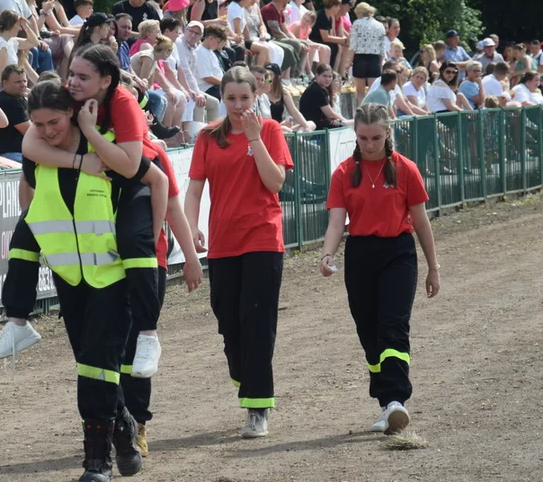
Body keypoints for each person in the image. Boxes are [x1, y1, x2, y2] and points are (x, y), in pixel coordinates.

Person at [0, 79, 168, 482]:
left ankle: (97, 459)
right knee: (94, 366)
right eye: (38, 124)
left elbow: (155, 181)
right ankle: (123, 427)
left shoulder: (109, 149)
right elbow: (35, 204)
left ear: (72, 112)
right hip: (71, 278)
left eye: (53, 122)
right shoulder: (37, 153)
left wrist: (153, 240)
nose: (46, 130)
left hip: (112, 277)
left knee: (95, 363)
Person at [320, 102, 440, 435]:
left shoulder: (406, 169)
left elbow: (420, 221)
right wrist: (327, 255)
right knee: (368, 332)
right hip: (360, 255)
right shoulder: (343, 173)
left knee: (393, 326)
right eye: (362, 138)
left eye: (375, 137)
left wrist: (433, 267)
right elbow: (335, 223)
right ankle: (386, 402)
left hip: (398, 254)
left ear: (388, 133)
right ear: (355, 136)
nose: (369, 144)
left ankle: (396, 399)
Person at [184, 66, 292, 438]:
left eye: (244, 97)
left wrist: (255, 140)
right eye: (230, 98)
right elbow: (195, 189)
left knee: (257, 321)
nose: (237, 104)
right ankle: (244, 377)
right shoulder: (208, 137)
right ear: (222, 98)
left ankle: (258, 407)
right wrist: (191, 227)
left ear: (256, 94)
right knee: (228, 321)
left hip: (263, 237)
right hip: (223, 242)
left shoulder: (271, 131)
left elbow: (275, 182)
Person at [0, 10, 40, 92]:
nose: (20, 29)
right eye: (19, 25)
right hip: (1, 89)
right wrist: (24, 91)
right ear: (11, 25)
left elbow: (34, 42)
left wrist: (25, 25)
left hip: (12, 86)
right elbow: (2, 78)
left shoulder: (12, 41)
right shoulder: (0, 45)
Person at [349, 2, 389, 104]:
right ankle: (373, 116)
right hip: (374, 60)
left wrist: (349, 62)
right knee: (373, 92)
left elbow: (353, 45)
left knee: (360, 93)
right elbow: (382, 49)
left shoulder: (357, 23)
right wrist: (379, 64)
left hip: (360, 59)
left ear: (359, 13)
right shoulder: (380, 25)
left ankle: (361, 116)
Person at [299, 64, 350, 129]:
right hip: (314, 126)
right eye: (324, 76)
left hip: (318, 123)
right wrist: (345, 121)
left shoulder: (320, 89)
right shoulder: (317, 90)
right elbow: (330, 114)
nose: (327, 79)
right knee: (347, 124)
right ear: (317, 75)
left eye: (330, 77)